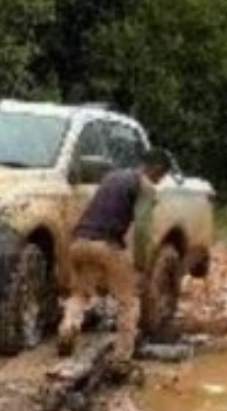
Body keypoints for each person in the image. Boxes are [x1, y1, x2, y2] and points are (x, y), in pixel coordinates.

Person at [57, 148, 174, 377]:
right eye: (162, 176)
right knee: (128, 302)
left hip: (78, 242)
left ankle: (68, 328)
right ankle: (121, 359)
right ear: (156, 169)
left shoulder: (111, 177)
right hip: (106, 246)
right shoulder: (145, 187)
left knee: (80, 294)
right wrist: (141, 265)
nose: (160, 181)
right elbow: (141, 229)